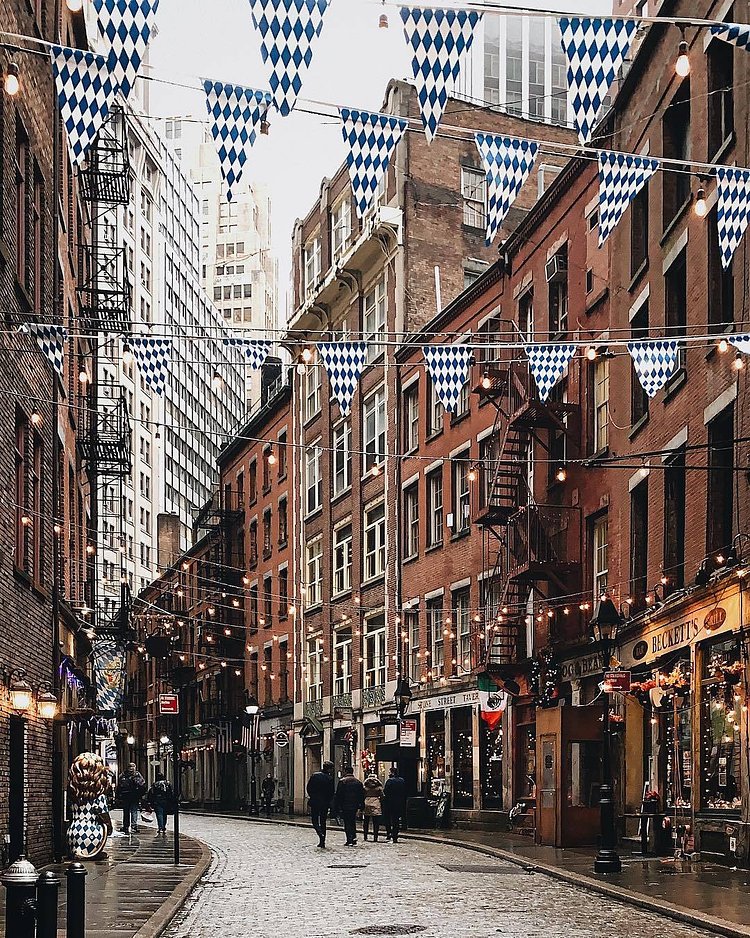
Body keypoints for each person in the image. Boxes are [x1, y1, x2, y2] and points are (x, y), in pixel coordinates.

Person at [306, 761, 335, 848]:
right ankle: (322, 841)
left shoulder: (315, 776)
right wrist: (329, 801)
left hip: (315, 801)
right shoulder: (329, 778)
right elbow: (331, 792)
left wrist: (312, 796)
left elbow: (309, 788)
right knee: (323, 822)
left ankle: (320, 833)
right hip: (325, 802)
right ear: (328, 769)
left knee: (314, 820)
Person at [334, 770, 365, 846]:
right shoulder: (358, 782)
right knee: (352, 821)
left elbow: (339, 795)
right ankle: (353, 837)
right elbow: (361, 794)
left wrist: (337, 806)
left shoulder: (343, 781)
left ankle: (349, 839)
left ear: (345, 772)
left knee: (347, 822)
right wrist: (361, 805)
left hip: (345, 805)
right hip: (354, 805)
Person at [116, 762, 146, 834]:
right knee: (134, 811)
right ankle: (134, 826)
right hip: (134, 796)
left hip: (125, 796)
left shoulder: (123, 775)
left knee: (126, 811)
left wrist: (118, 796)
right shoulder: (137, 775)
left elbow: (119, 786)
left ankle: (126, 826)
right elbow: (142, 784)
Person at [146, 771, 176, 835]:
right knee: (164, 814)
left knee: (159, 814)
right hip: (166, 801)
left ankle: (160, 827)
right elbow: (171, 792)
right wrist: (172, 800)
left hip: (157, 801)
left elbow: (151, 793)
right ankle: (163, 827)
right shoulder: (167, 783)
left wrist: (150, 802)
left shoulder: (155, 784)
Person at [383, 766, 407, 843]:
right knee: (396, 819)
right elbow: (404, 791)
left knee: (389, 819)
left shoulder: (390, 781)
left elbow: (385, 791)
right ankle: (395, 835)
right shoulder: (402, 780)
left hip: (390, 802)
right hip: (399, 802)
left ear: (392, 773)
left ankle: (389, 833)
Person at [363, 772, 384, 842]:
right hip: (376, 803)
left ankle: (365, 836)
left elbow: (362, 795)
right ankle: (375, 837)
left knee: (366, 821)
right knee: (376, 822)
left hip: (367, 802)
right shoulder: (378, 787)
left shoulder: (365, 787)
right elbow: (382, 796)